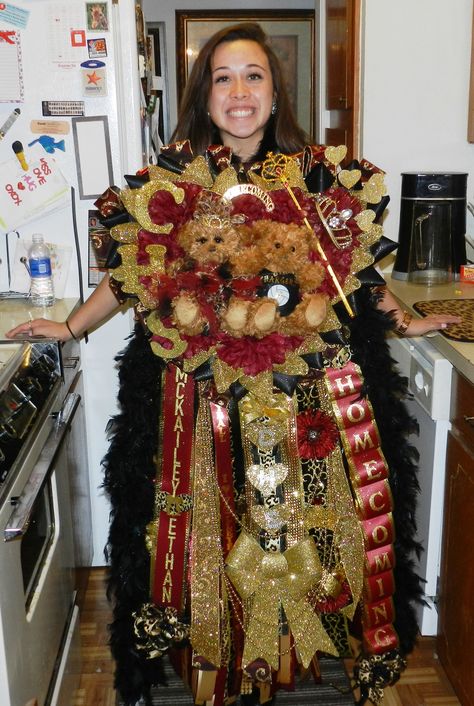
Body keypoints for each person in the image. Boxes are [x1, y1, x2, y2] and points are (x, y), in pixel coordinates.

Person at [7, 22, 460, 706]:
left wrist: (406, 317)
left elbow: (355, 273)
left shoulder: (319, 175)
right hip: (200, 402)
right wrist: (71, 325)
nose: (239, 91)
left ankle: (296, 658)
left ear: (275, 93)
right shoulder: (169, 179)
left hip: (303, 395)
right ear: (205, 94)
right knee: (210, 534)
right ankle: (218, 657)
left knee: (298, 525)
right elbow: (129, 273)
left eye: (254, 76)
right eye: (223, 77)